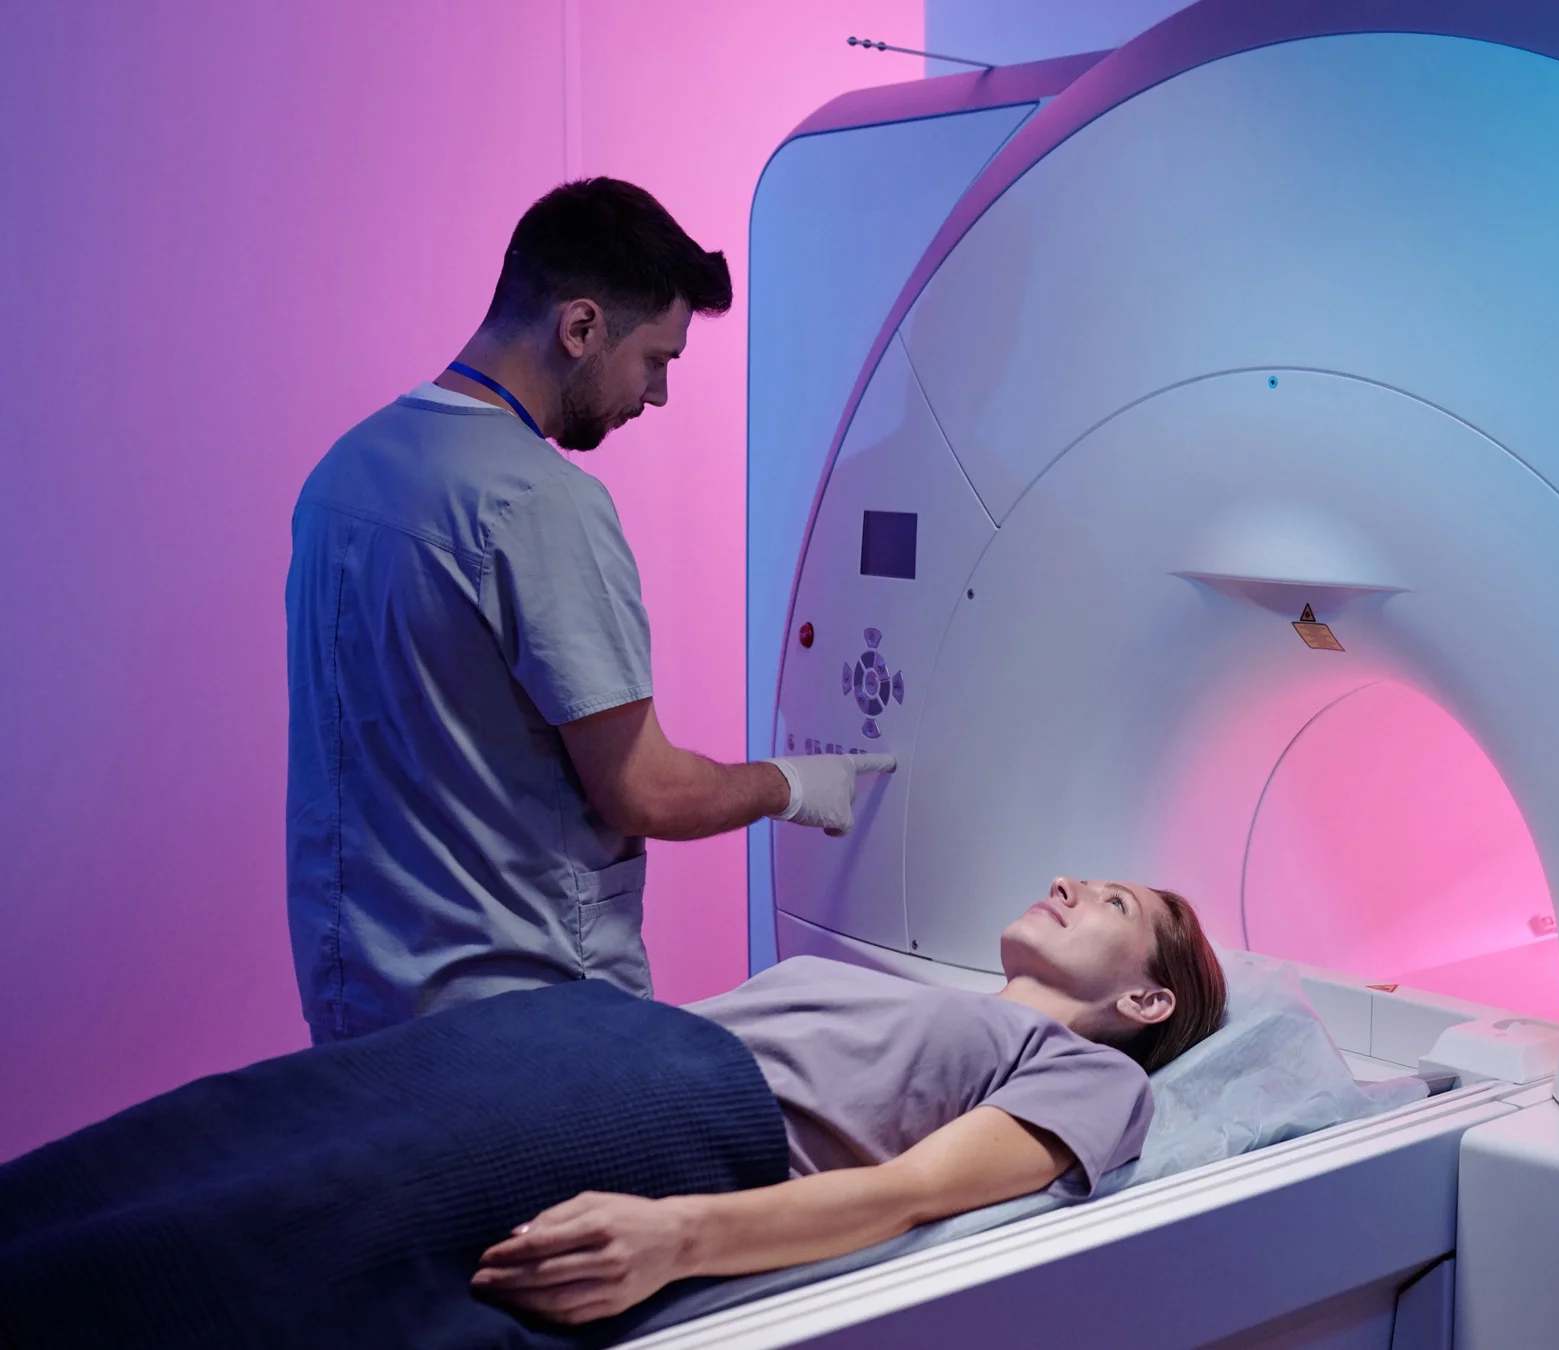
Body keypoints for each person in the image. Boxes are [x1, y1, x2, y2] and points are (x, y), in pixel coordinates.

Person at [0, 878, 1228, 1347]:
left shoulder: (1093, 1078)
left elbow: (914, 1198)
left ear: (1144, 992)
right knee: (230, 1128)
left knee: (279, 1225)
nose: (1067, 880)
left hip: (670, 1108)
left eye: (1109, 894)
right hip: (578, 1037)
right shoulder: (909, 991)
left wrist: (680, 1237)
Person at [286, 176, 887, 1044]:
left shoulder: (344, 473)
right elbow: (645, 791)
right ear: (580, 328)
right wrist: (796, 783)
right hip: (521, 1015)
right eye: (657, 360)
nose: (658, 394)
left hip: (364, 995)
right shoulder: (539, 501)